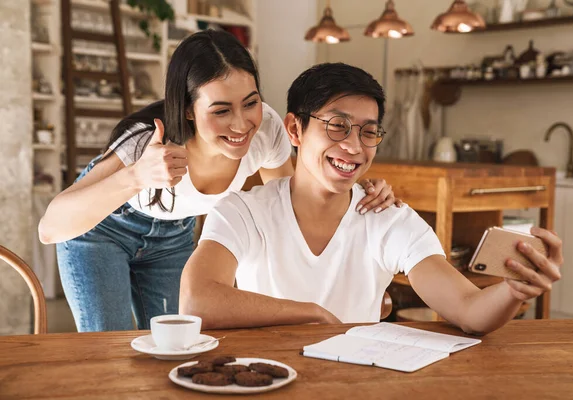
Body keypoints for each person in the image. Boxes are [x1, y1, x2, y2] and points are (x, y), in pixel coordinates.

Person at [38, 32, 398, 332]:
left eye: (251, 103)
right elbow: (51, 228)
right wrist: (135, 176)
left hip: (174, 235)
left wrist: (359, 196)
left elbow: (293, 213)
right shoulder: (146, 141)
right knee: (109, 351)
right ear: (188, 110)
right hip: (104, 231)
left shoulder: (267, 131)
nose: (242, 125)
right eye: (221, 110)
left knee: (178, 346)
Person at [179, 63, 563, 334]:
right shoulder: (243, 212)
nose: (353, 146)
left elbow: (469, 310)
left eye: (368, 132)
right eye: (337, 126)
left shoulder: (390, 220)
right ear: (295, 128)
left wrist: (516, 290)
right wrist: (311, 315)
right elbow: (197, 302)